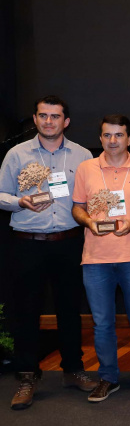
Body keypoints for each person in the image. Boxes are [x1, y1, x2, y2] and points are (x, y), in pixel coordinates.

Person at [1, 96, 96, 409]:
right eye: (43, 116)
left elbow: (91, 198)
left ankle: (73, 370)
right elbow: (1, 194)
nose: (49, 121)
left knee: (70, 309)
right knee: (25, 312)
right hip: (27, 243)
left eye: (55, 116)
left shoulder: (82, 155)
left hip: (69, 242)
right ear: (35, 118)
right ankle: (27, 377)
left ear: (65, 121)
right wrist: (20, 202)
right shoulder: (17, 154)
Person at [71, 114, 130, 402]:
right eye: (107, 135)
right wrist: (88, 222)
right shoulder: (86, 168)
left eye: (119, 135)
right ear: (100, 138)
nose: (113, 140)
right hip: (95, 259)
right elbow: (77, 208)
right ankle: (108, 377)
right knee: (102, 323)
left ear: (129, 139)